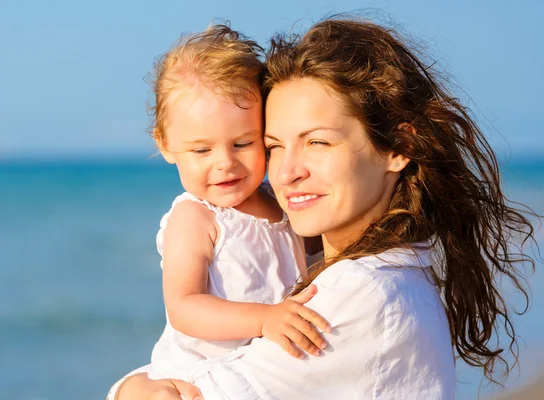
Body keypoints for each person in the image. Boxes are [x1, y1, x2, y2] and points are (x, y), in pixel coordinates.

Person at [108, 17, 535, 400]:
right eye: (275, 145)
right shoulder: (378, 269)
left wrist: (129, 390)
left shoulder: (365, 294)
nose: (287, 173)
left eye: (317, 142)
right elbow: (187, 314)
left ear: (399, 146)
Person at [136, 25, 332, 383]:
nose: (225, 162)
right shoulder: (196, 217)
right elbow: (184, 306)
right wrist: (265, 317)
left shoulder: (283, 202)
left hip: (268, 372)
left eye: (243, 143)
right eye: (201, 150)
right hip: (198, 377)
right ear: (165, 144)